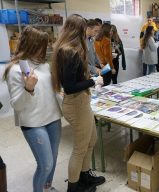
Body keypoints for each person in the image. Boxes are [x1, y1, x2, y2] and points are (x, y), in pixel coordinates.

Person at [3, 26, 62, 192]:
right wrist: (28, 88)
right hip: (33, 123)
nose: (45, 49)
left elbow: (49, 90)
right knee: (46, 164)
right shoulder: (15, 70)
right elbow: (16, 105)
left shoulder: (42, 64)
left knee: (54, 157)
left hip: (53, 117)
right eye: (42, 45)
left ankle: (47, 187)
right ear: (31, 45)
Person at [51, 14, 105, 192]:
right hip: (75, 104)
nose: (87, 33)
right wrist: (93, 81)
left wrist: (88, 78)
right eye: (84, 29)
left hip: (82, 102)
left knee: (92, 140)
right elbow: (70, 86)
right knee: (80, 147)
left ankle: (84, 175)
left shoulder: (71, 48)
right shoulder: (69, 51)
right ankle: (74, 187)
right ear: (77, 30)